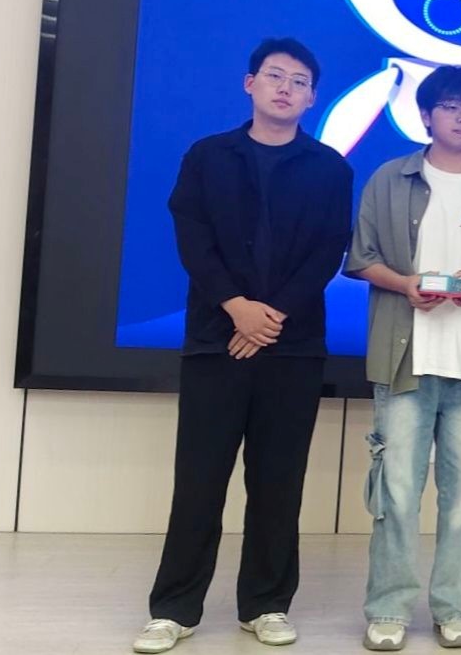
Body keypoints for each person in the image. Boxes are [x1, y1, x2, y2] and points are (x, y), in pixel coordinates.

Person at [133, 37, 353, 654]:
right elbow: (192, 240)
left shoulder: (330, 168)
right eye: (275, 76)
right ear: (249, 83)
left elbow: (327, 251)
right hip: (216, 341)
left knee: (278, 483)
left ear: (312, 98)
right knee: (199, 480)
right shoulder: (208, 157)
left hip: (292, 346)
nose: (286, 88)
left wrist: (270, 317)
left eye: (299, 82)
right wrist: (237, 307)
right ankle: (174, 609)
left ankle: (266, 605)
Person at [344, 65, 461, 651]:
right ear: (426, 115)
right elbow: (361, 257)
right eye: (452, 106)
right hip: (404, 360)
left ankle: (455, 607)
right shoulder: (390, 178)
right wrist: (404, 285)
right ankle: (389, 610)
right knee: (397, 494)